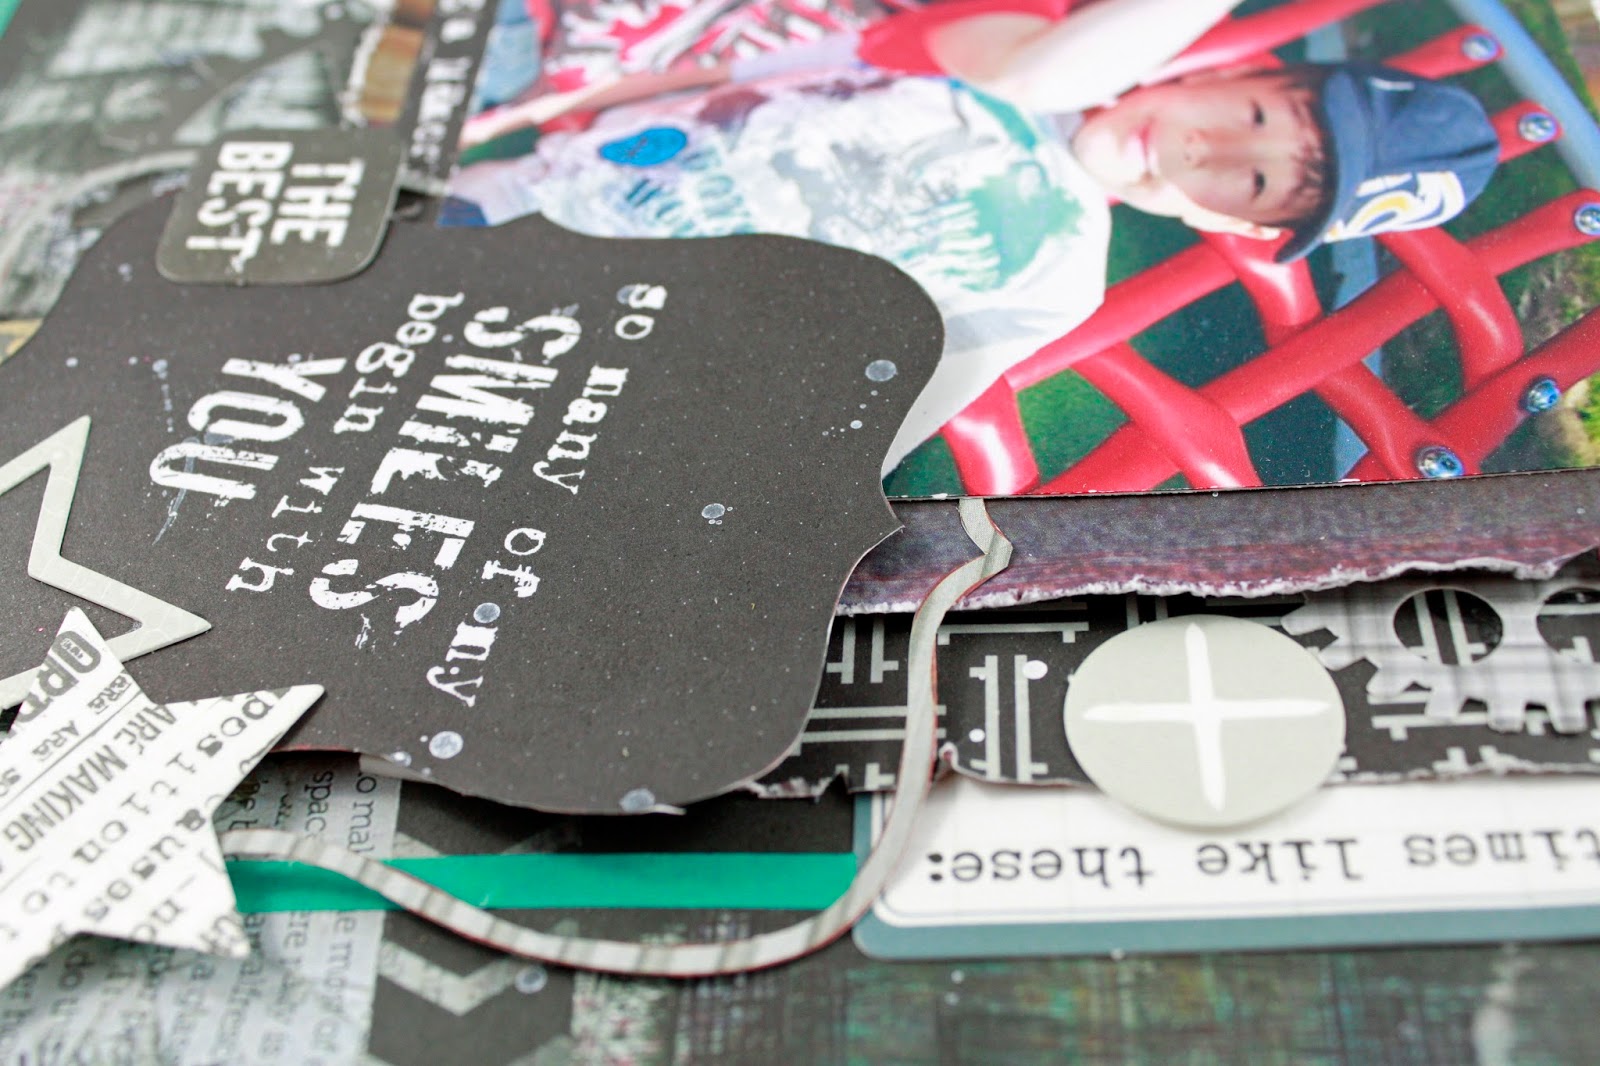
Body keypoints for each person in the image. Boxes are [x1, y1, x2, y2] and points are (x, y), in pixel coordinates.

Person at [447, 0, 1500, 473]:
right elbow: (1036, 77)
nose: (1209, 149)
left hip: (597, 367)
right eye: (1255, 113)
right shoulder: (1014, 43)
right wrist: (537, 116)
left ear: (1234, 223)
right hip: (514, 219)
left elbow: (868, 427)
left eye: (1256, 179)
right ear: (1229, 70)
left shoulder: (1058, 280)